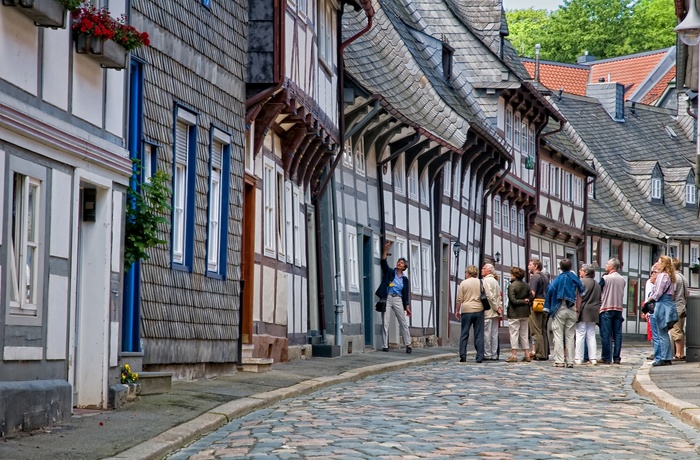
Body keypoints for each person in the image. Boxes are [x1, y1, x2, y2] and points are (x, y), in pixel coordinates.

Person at [544, 259, 584, 368]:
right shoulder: (573, 277)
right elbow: (581, 288)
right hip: (571, 307)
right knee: (570, 336)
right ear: (571, 267)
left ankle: (559, 360)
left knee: (558, 335)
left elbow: (550, 289)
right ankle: (570, 361)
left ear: (560, 268)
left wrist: (548, 306)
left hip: (559, 308)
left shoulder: (558, 279)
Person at [375, 241, 412, 353]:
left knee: (403, 322)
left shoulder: (405, 280)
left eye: (401, 263)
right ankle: (385, 345)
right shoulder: (390, 272)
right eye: (398, 262)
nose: (399, 263)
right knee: (385, 322)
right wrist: (386, 250)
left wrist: (407, 305)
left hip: (398, 299)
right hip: (388, 297)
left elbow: (405, 293)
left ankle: (408, 344)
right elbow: (383, 262)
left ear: (404, 266)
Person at [644, 256, 679, 367]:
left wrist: (648, 301)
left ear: (663, 264)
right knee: (662, 332)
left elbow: (658, 293)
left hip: (661, 305)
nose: (657, 264)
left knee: (660, 333)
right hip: (667, 303)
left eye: (659, 262)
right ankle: (665, 357)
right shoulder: (669, 276)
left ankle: (664, 357)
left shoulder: (662, 276)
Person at [455, 265, 485, 363]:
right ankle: (480, 356)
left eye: (465, 272)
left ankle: (463, 355)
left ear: (468, 273)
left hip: (466, 310)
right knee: (479, 334)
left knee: (464, 333)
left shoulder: (463, 283)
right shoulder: (481, 282)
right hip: (479, 309)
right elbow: (486, 295)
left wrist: (457, 310)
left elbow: (459, 298)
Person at [599, 258, 626, 364]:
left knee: (606, 334)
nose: (606, 265)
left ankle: (606, 357)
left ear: (612, 267)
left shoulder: (605, 278)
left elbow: (599, 289)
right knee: (618, 334)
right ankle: (617, 358)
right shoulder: (622, 279)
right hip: (618, 309)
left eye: (607, 264)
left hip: (606, 307)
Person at [506, 266, 533, 363]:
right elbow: (531, 297)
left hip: (514, 313)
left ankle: (514, 355)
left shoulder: (512, 286)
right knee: (524, 334)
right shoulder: (526, 285)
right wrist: (526, 301)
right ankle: (527, 354)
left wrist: (522, 301)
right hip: (525, 313)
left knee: (514, 334)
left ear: (514, 275)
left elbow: (512, 300)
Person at [575, 264, 601, 365]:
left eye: (581, 270)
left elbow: (578, 298)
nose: (580, 271)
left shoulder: (581, 282)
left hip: (583, 310)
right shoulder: (597, 284)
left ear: (586, 272)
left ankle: (578, 358)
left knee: (580, 334)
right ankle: (593, 358)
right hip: (594, 311)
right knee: (591, 334)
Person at [528, 259, 550, 360]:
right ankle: (545, 353)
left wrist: (526, 299)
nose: (528, 266)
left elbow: (532, 293)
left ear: (536, 266)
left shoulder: (535, 277)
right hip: (545, 304)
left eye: (530, 264)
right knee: (543, 330)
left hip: (536, 305)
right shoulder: (545, 276)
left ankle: (539, 353)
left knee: (536, 330)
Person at [481, 264, 502, 361]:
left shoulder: (486, 281)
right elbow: (499, 296)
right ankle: (494, 354)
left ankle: (487, 354)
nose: (482, 270)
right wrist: (499, 307)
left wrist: (495, 307)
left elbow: (489, 296)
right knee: (494, 334)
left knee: (487, 334)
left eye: (484, 269)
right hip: (495, 312)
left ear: (489, 271)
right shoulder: (496, 281)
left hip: (489, 311)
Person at [670, 258, 688, 361]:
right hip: (682, 306)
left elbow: (673, 292)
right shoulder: (683, 277)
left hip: (676, 306)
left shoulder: (675, 277)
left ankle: (678, 353)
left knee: (676, 331)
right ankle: (681, 352)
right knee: (680, 330)